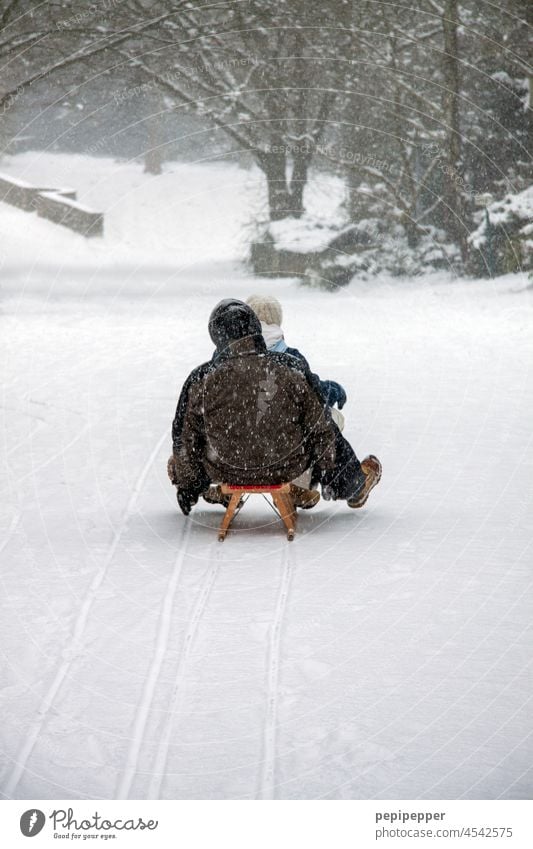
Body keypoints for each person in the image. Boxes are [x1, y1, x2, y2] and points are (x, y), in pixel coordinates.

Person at [168, 299, 381, 516]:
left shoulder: (200, 378)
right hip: (287, 466)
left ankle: (217, 488)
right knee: (324, 422)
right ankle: (352, 484)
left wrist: (190, 486)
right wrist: (324, 470)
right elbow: (322, 430)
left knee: (189, 442)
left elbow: (184, 439)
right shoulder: (290, 366)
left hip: (224, 470)